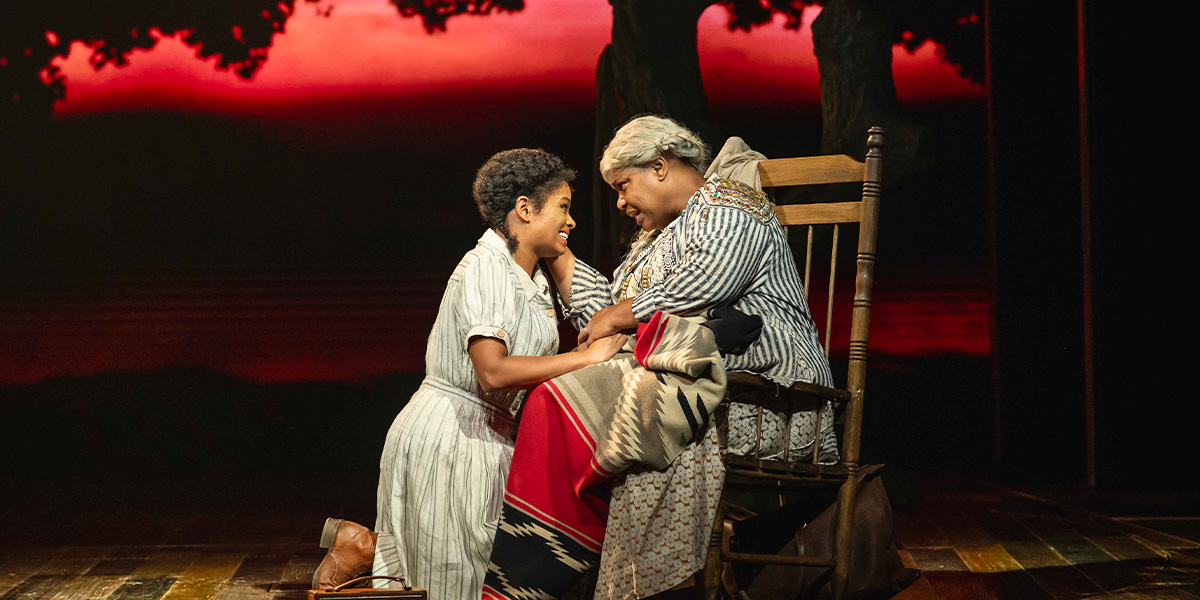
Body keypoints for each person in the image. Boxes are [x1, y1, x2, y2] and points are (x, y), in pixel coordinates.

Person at [312, 149, 628, 600]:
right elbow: (493, 371)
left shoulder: (526, 274)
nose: (571, 220)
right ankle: (363, 546)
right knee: (452, 585)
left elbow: (592, 300)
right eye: (563, 206)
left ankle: (363, 544)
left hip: (485, 436)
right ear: (524, 209)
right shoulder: (487, 267)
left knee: (469, 579)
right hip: (452, 436)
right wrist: (585, 360)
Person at [544, 115, 838, 599]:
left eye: (623, 186)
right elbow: (605, 315)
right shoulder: (660, 237)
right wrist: (556, 254)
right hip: (709, 384)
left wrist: (620, 317)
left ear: (659, 166)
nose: (619, 202)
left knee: (648, 420)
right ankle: (596, 571)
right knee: (599, 407)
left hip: (776, 396)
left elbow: (701, 288)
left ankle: (658, 586)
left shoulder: (732, 208)